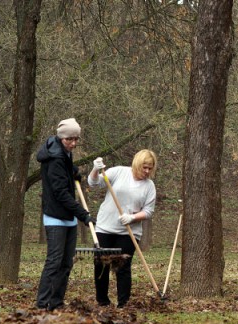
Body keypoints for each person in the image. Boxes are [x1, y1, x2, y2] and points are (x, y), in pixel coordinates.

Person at [36, 118, 96, 311]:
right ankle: (43, 302)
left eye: (76, 139)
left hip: (68, 218)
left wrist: (74, 172)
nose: (73, 143)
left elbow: (65, 169)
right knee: (54, 261)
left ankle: (57, 302)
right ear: (62, 137)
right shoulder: (54, 159)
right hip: (55, 216)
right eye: (69, 139)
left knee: (66, 263)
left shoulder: (63, 153)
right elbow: (61, 193)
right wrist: (84, 215)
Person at [87, 150, 157, 308]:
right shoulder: (119, 172)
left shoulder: (149, 186)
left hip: (128, 232)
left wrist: (132, 217)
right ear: (137, 164)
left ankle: (123, 304)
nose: (147, 171)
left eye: (150, 168)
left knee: (122, 267)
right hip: (104, 227)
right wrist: (95, 169)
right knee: (101, 265)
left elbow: (148, 211)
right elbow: (94, 183)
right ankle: (102, 302)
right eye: (144, 167)